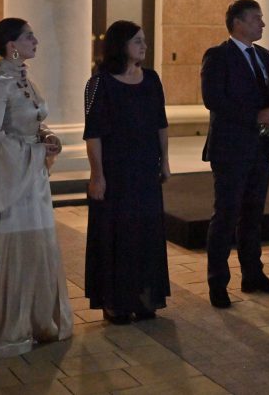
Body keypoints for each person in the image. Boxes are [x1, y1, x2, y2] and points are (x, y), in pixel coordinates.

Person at [0, 18, 72, 359]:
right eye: (29, 36)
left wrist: (48, 137)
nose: (36, 41)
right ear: (11, 45)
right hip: (13, 183)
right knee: (18, 248)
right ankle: (11, 326)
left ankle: (39, 320)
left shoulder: (25, 80)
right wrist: (34, 152)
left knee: (39, 246)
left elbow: (32, 122)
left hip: (34, 179)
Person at [83, 20, 171, 323]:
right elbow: (93, 133)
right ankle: (115, 302)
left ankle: (145, 298)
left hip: (145, 168)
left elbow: (161, 123)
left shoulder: (152, 79)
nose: (144, 46)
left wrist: (165, 161)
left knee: (146, 231)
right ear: (120, 45)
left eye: (144, 40)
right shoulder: (99, 83)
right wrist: (97, 175)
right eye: (137, 41)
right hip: (115, 170)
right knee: (116, 234)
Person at [201, 0, 269, 308]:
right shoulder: (218, 56)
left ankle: (253, 275)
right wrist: (255, 115)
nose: (262, 24)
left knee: (253, 215)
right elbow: (213, 100)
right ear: (238, 23)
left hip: (261, 147)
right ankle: (217, 283)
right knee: (226, 215)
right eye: (256, 19)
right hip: (231, 148)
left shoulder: (264, 56)